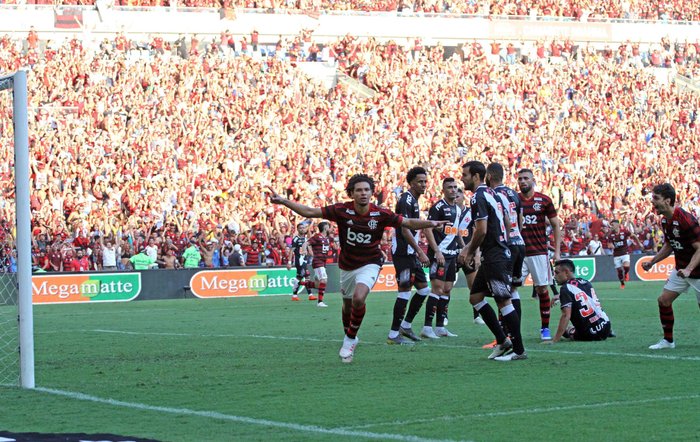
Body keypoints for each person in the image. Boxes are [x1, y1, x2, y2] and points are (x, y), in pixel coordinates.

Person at [268, 174, 447, 363]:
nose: (363, 193)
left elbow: (408, 223)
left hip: (370, 263)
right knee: (347, 306)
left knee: (359, 298)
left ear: (371, 192)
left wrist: (431, 223)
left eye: (367, 190)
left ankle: (350, 339)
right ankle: (350, 333)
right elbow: (310, 212)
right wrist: (283, 201)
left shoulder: (381, 213)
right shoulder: (341, 210)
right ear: (352, 193)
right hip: (347, 266)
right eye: (359, 190)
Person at [460, 161, 526, 361]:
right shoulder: (496, 194)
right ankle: (503, 340)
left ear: (477, 176)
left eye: (465, 175)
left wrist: (469, 251)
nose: (462, 178)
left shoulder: (478, 197)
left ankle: (519, 350)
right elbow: (508, 221)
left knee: (503, 300)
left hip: (495, 255)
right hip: (498, 251)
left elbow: (481, 229)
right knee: (476, 298)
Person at [642, 183, 700, 350]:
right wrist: (652, 262)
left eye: (656, 199)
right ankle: (668, 341)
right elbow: (669, 245)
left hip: (696, 272)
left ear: (667, 201)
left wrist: (689, 269)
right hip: (681, 270)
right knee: (664, 300)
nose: (653, 202)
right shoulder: (665, 220)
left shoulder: (686, 220)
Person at [387, 166, 432, 345]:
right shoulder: (406, 200)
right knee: (404, 292)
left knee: (423, 289)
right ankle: (392, 335)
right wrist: (421, 251)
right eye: (420, 181)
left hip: (411, 253)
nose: (423, 184)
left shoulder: (414, 200)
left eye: (425, 181)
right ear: (411, 182)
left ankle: (405, 326)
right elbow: (405, 230)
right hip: (403, 253)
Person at [517, 168, 561, 341]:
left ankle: (545, 328)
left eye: (526, 178)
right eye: (520, 178)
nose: (522, 181)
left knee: (542, 289)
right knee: (507, 290)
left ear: (533, 180)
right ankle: (507, 332)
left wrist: (556, 252)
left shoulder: (544, 200)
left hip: (538, 252)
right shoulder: (513, 199)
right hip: (518, 253)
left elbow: (556, 225)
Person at [485, 162, 525, 347]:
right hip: (519, 243)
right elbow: (520, 220)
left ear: (489, 176)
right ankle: (514, 332)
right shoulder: (514, 193)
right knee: (513, 291)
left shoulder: (493, 194)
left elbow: (505, 222)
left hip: (506, 246)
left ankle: (506, 335)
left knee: (502, 296)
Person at [421, 177, 462, 339]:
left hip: (452, 255)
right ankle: (426, 327)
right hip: (440, 255)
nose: (453, 190)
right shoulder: (438, 207)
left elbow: (456, 230)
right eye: (449, 187)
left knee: (447, 290)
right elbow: (428, 229)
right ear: (443, 190)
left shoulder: (458, 209)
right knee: (437, 289)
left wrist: (463, 247)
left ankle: (440, 327)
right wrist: (437, 251)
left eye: (455, 187)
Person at [546, 259, 612, 343]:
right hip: (606, 326)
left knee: (567, 330)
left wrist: (555, 340)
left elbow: (566, 315)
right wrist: (559, 296)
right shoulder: (585, 282)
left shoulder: (565, 289)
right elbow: (581, 294)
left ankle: (572, 332)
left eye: (557, 273)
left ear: (566, 272)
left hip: (588, 334)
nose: (554, 276)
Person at [301, 221, 331, 307]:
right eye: (328, 227)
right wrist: (304, 250)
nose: (330, 228)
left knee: (318, 285)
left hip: (323, 262)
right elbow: (306, 243)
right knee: (324, 280)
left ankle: (299, 283)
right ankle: (320, 302)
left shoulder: (326, 238)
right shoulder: (317, 237)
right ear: (325, 228)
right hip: (318, 262)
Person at [607, 219, 641, 289]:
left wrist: (639, 243)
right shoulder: (611, 234)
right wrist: (611, 246)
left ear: (617, 225)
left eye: (612, 225)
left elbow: (633, 236)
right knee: (619, 271)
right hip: (616, 254)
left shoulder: (624, 231)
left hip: (625, 252)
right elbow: (609, 244)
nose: (611, 226)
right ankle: (622, 283)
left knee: (626, 266)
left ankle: (626, 273)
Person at [287, 222, 315, 302]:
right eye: (300, 228)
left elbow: (309, 250)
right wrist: (289, 262)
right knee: (302, 276)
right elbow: (291, 251)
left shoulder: (306, 238)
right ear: (298, 229)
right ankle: (295, 295)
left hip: (305, 260)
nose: (302, 229)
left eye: (303, 228)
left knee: (306, 277)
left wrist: (314, 256)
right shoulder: (296, 239)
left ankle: (309, 295)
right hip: (299, 260)